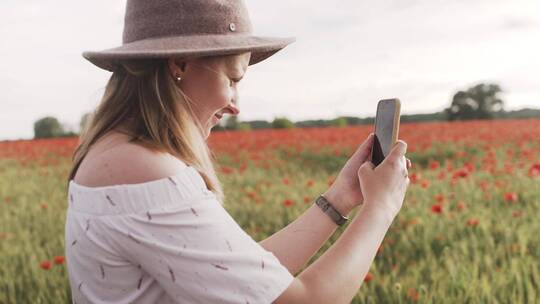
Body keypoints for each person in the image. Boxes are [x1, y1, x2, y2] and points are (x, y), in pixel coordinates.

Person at [65, 0, 412, 303]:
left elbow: (242, 279)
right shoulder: (145, 171)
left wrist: (338, 198)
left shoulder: (116, 153)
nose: (234, 106)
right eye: (232, 80)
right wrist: (381, 208)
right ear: (180, 64)